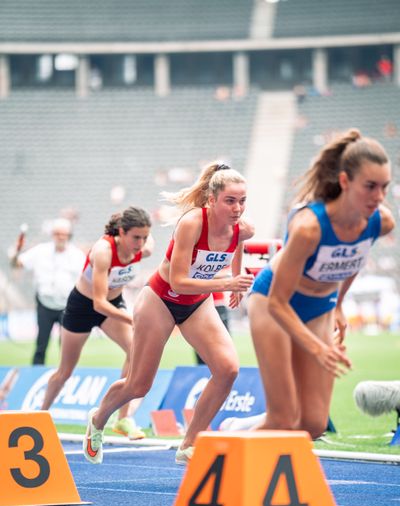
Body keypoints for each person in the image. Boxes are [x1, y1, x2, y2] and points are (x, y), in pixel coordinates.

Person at [82, 162, 255, 465]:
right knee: (139, 385)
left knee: (228, 368)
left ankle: (189, 445)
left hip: (196, 304)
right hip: (161, 300)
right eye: (230, 200)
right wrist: (228, 281)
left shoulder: (243, 228)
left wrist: (237, 283)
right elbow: (179, 281)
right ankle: (98, 418)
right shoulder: (192, 223)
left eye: (242, 201)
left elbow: (238, 243)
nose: (237, 208)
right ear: (212, 200)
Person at [247, 129, 395, 440]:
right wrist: (318, 348)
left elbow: (355, 255)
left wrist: (339, 304)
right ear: (345, 182)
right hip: (273, 303)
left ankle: (243, 430)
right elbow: (277, 302)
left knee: (313, 424)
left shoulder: (380, 222)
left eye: (384, 187)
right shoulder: (309, 228)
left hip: (320, 307)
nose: (379, 196)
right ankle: (220, 443)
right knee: (283, 418)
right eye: (370, 186)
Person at [41, 206, 154, 439]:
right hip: (84, 306)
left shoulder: (144, 248)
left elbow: (147, 241)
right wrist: (135, 318)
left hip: (113, 306)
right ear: (121, 232)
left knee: (135, 351)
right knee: (65, 371)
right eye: (135, 237)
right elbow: (99, 304)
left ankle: (123, 419)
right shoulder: (103, 250)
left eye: (144, 237)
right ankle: (40, 415)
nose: (140, 243)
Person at [10, 218, 86, 365]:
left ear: (69, 235)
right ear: (52, 234)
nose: (61, 237)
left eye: (64, 234)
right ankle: (35, 373)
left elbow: (85, 280)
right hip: (44, 304)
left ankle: (66, 374)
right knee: (41, 343)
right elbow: (17, 264)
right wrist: (15, 253)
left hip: (68, 307)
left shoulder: (77, 256)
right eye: (57, 233)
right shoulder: (40, 251)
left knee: (66, 346)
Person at [194, 290, 230, 365]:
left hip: (217, 303)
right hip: (199, 302)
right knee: (199, 339)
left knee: (223, 341)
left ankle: (223, 366)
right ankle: (202, 369)